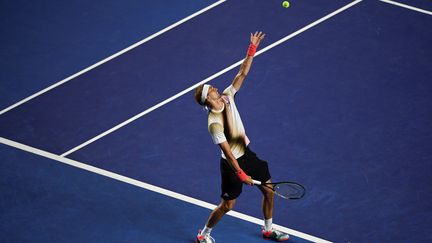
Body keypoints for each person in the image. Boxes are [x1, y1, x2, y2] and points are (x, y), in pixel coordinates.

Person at [193, 31, 289, 242]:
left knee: (269, 190)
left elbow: (242, 73)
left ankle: (268, 229)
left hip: (246, 154)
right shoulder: (214, 123)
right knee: (228, 205)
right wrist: (240, 174)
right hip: (231, 164)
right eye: (211, 90)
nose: (216, 88)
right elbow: (227, 152)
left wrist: (251, 50)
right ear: (207, 100)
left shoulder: (228, 96)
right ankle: (204, 234)